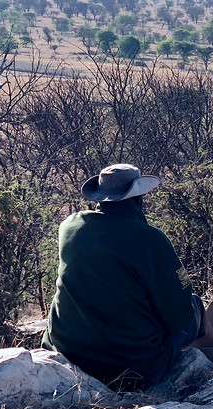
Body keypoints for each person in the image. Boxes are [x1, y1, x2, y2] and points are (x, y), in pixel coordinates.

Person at [42, 164, 204, 390]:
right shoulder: (150, 239)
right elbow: (178, 314)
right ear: (138, 199)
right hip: (133, 366)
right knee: (195, 307)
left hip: (70, 354)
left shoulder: (69, 227)